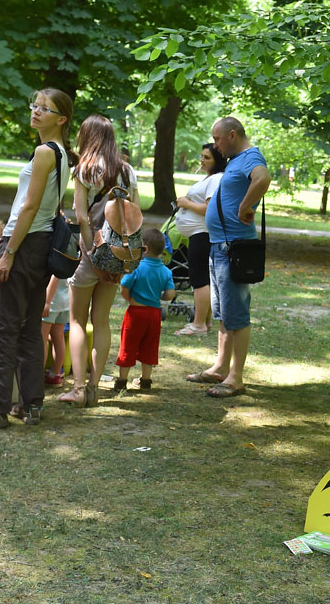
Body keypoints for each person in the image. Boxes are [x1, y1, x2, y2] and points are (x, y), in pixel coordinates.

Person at [0, 89, 74, 427]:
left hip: (25, 243)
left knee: (2, 327)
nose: (36, 111)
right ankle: (31, 405)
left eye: (46, 109)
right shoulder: (61, 153)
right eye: (35, 105)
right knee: (30, 327)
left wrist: (9, 253)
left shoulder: (46, 152)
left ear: (62, 119)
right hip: (41, 245)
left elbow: (30, 206)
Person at [184, 117, 270, 398]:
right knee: (223, 313)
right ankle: (220, 368)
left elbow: (263, 179)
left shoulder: (251, 157)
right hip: (219, 246)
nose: (216, 145)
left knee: (237, 315)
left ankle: (236, 378)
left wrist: (246, 205)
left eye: (217, 139)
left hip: (234, 248)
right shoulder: (235, 160)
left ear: (232, 135)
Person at [59, 115, 135, 408]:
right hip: (117, 255)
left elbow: (81, 216)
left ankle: (78, 389)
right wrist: (117, 258)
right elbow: (133, 216)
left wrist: (92, 253)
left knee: (77, 320)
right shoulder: (127, 171)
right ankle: (93, 389)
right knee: (101, 321)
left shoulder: (84, 169)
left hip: (88, 253)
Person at [113, 229, 175, 394]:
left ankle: (121, 381)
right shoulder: (166, 271)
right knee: (150, 347)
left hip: (135, 313)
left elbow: (124, 287)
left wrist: (129, 298)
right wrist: (160, 295)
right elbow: (170, 294)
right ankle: (145, 380)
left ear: (144, 249)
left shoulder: (137, 267)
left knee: (128, 345)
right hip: (154, 315)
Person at [173, 142, 226, 336]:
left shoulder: (216, 179)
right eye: (202, 156)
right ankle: (206, 321)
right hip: (198, 234)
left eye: (207, 157)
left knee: (199, 280)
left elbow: (209, 209)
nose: (202, 160)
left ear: (217, 160)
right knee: (204, 279)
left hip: (202, 234)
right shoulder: (210, 178)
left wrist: (186, 203)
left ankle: (198, 325)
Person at [41, 275, 69, 387]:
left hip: (51, 302)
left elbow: (55, 276)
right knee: (58, 337)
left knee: (41, 339)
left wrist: (47, 301)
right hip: (65, 301)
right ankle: (55, 374)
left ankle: (36, 377)